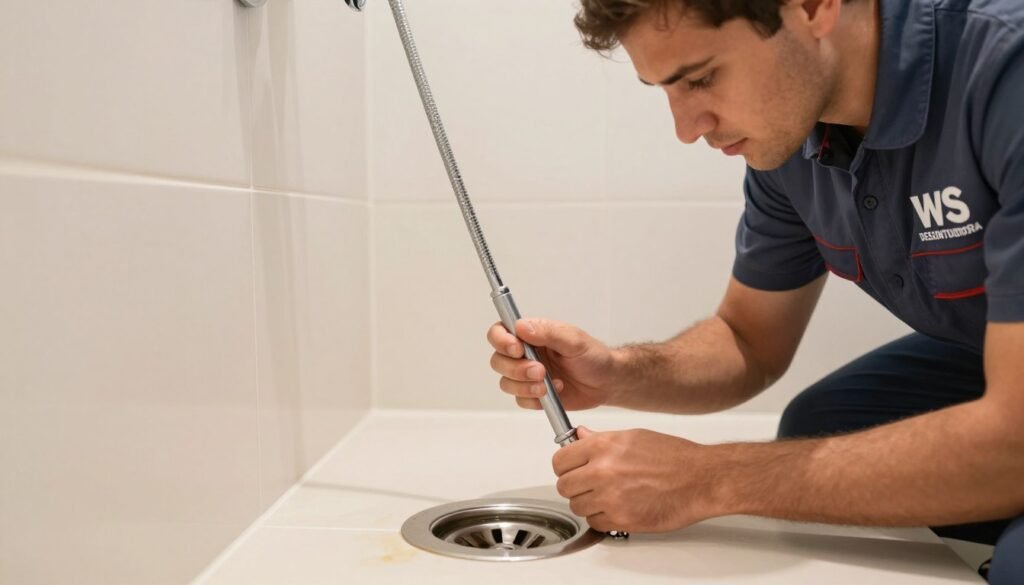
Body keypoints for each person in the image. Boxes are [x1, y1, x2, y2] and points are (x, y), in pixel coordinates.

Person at [485, 0, 1024, 581]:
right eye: (664, 89)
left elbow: (1013, 438)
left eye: (702, 78)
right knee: (826, 423)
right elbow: (749, 338)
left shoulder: (1004, 70)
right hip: (993, 356)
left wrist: (708, 479)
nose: (687, 129)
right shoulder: (795, 137)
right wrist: (618, 371)